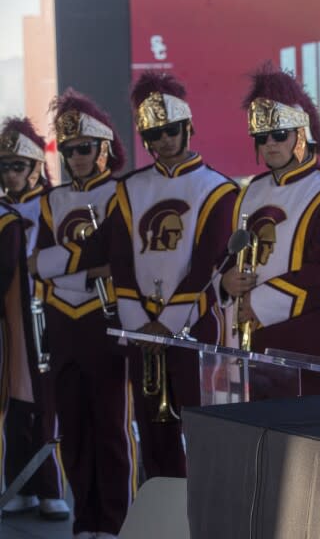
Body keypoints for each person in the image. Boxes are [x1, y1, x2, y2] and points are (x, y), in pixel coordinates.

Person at [221, 64, 320, 398]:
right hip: (253, 341)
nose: (270, 144)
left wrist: (258, 302)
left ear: (301, 133)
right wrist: (226, 281)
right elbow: (226, 257)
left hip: (311, 343)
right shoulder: (248, 192)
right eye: (261, 138)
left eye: (279, 134)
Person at [108, 72, 237, 478]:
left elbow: (209, 263)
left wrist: (166, 324)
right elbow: (119, 258)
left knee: (202, 427)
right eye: (153, 133)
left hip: (194, 326)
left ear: (188, 128)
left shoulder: (218, 188)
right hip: (142, 328)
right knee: (152, 433)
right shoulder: (128, 189)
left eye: (170, 130)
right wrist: (143, 328)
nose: (162, 140)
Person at [27, 90, 137, 538]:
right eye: (67, 150)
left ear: (104, 148)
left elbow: (118, 261)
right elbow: (36, 264)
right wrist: (86, 268)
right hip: (62, 324)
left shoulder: (122, 194)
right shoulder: (50, 200)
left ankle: (114, 523)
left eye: (83, 148)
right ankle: (83, 521)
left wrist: (63, 268)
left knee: (111, 428)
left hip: (105, 321)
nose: (74, 157)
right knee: (72, 430)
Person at [0, 118, 69, 520]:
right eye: (4, 165)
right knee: (14, 401)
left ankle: (49, 487)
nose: (10, 173)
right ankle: (19, 484)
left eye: (17, 165)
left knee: (45, 403)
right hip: (11, 317)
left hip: (47, 312)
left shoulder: (55, 204)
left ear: (35, 167)